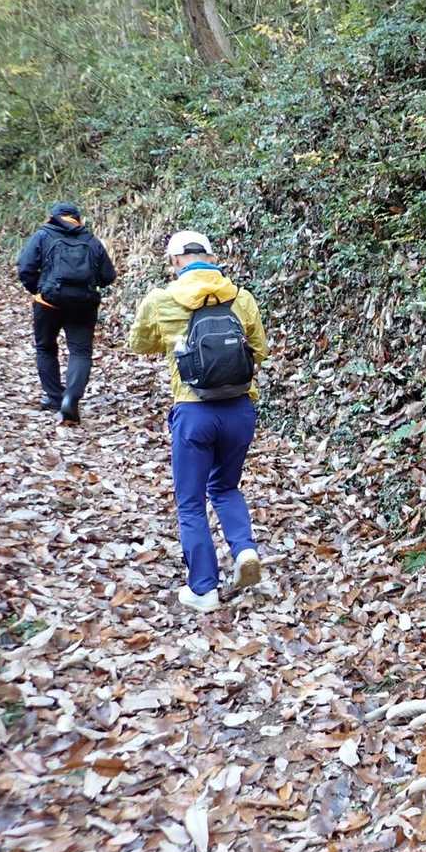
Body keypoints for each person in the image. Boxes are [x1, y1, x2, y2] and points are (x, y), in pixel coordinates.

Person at [128, 231, 266, 613]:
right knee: (225, 487)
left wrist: (173, 340)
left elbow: (138, 344)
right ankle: (244, 550)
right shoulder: (241, 297)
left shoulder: (161, 299)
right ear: (210, 256)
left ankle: (203, 589)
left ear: (175, 261)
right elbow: (260, 351)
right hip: (239, 410)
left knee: (191, 503)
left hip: (193, 413)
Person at [17, 202, 117, 423]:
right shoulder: (90, 240)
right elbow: (108, 276)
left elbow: (25, 268)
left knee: (45, 348)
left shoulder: (42, 235)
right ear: (78, 219)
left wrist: (39, 289)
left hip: (48, 303)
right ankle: (71, 398)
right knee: (80, 352)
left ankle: (54, 398)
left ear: (52, 217)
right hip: (84, 304)